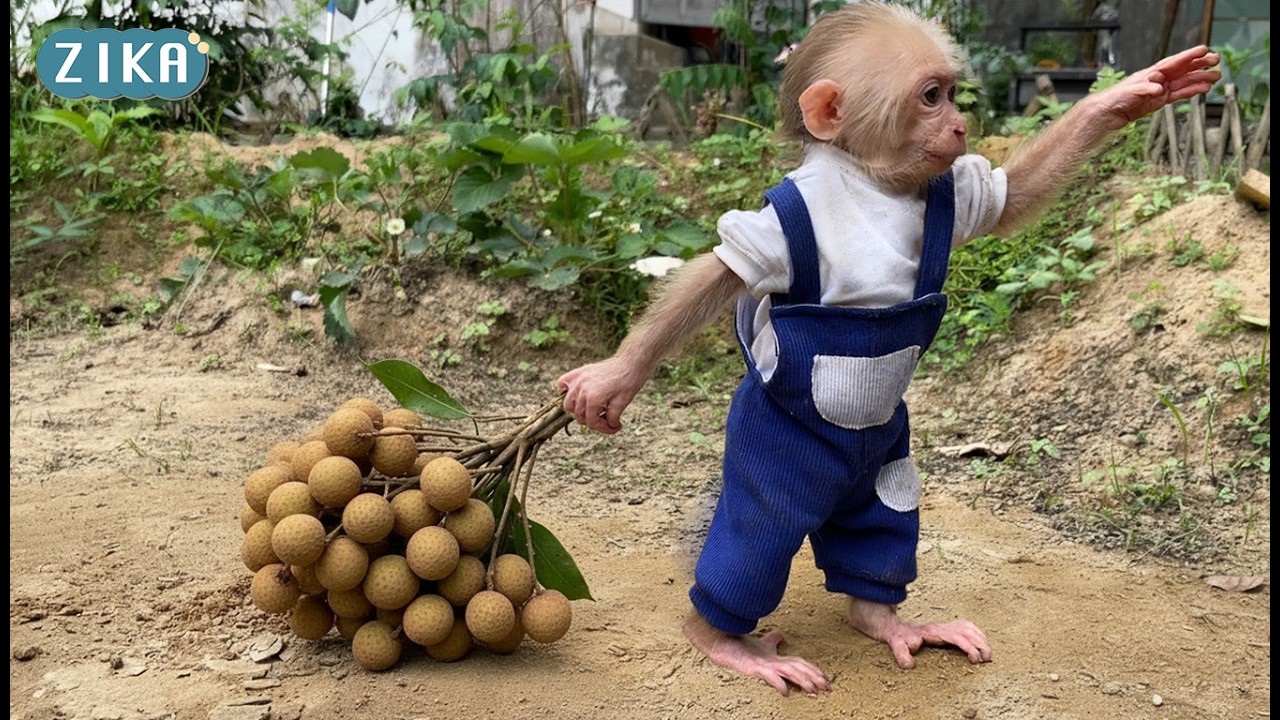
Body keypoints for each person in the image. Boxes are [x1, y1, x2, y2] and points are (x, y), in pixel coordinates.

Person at [558, 1, 1220, 696]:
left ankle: (875, 609)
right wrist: (628, 365)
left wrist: (1098, 114)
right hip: (787, 427)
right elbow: (710, 280)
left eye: (952, 94)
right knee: (764, 525)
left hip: (876, 421)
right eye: (929, 97)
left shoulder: (939, 195)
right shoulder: (802, 212)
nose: (957, 120)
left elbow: (1015, 196)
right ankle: (715, 628)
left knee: (884, 510)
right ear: (831, 113)